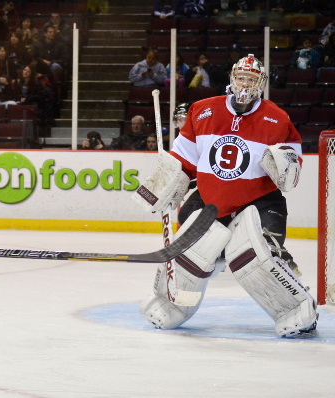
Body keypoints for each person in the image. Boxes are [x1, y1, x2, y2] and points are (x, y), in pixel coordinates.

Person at [133, 54, 318, 338]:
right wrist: (165, 184)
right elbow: (183, 159)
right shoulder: (203, 110)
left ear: (261, 84)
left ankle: (297, 310)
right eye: (241, 78)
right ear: (232, 79)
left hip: (260, 202)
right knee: (190, 259)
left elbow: (291, 168)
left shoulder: (277, 118)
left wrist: (284, 163)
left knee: (257, 258)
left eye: (252, 79)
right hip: (210, 201)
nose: (245, 84)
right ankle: (176, 304)